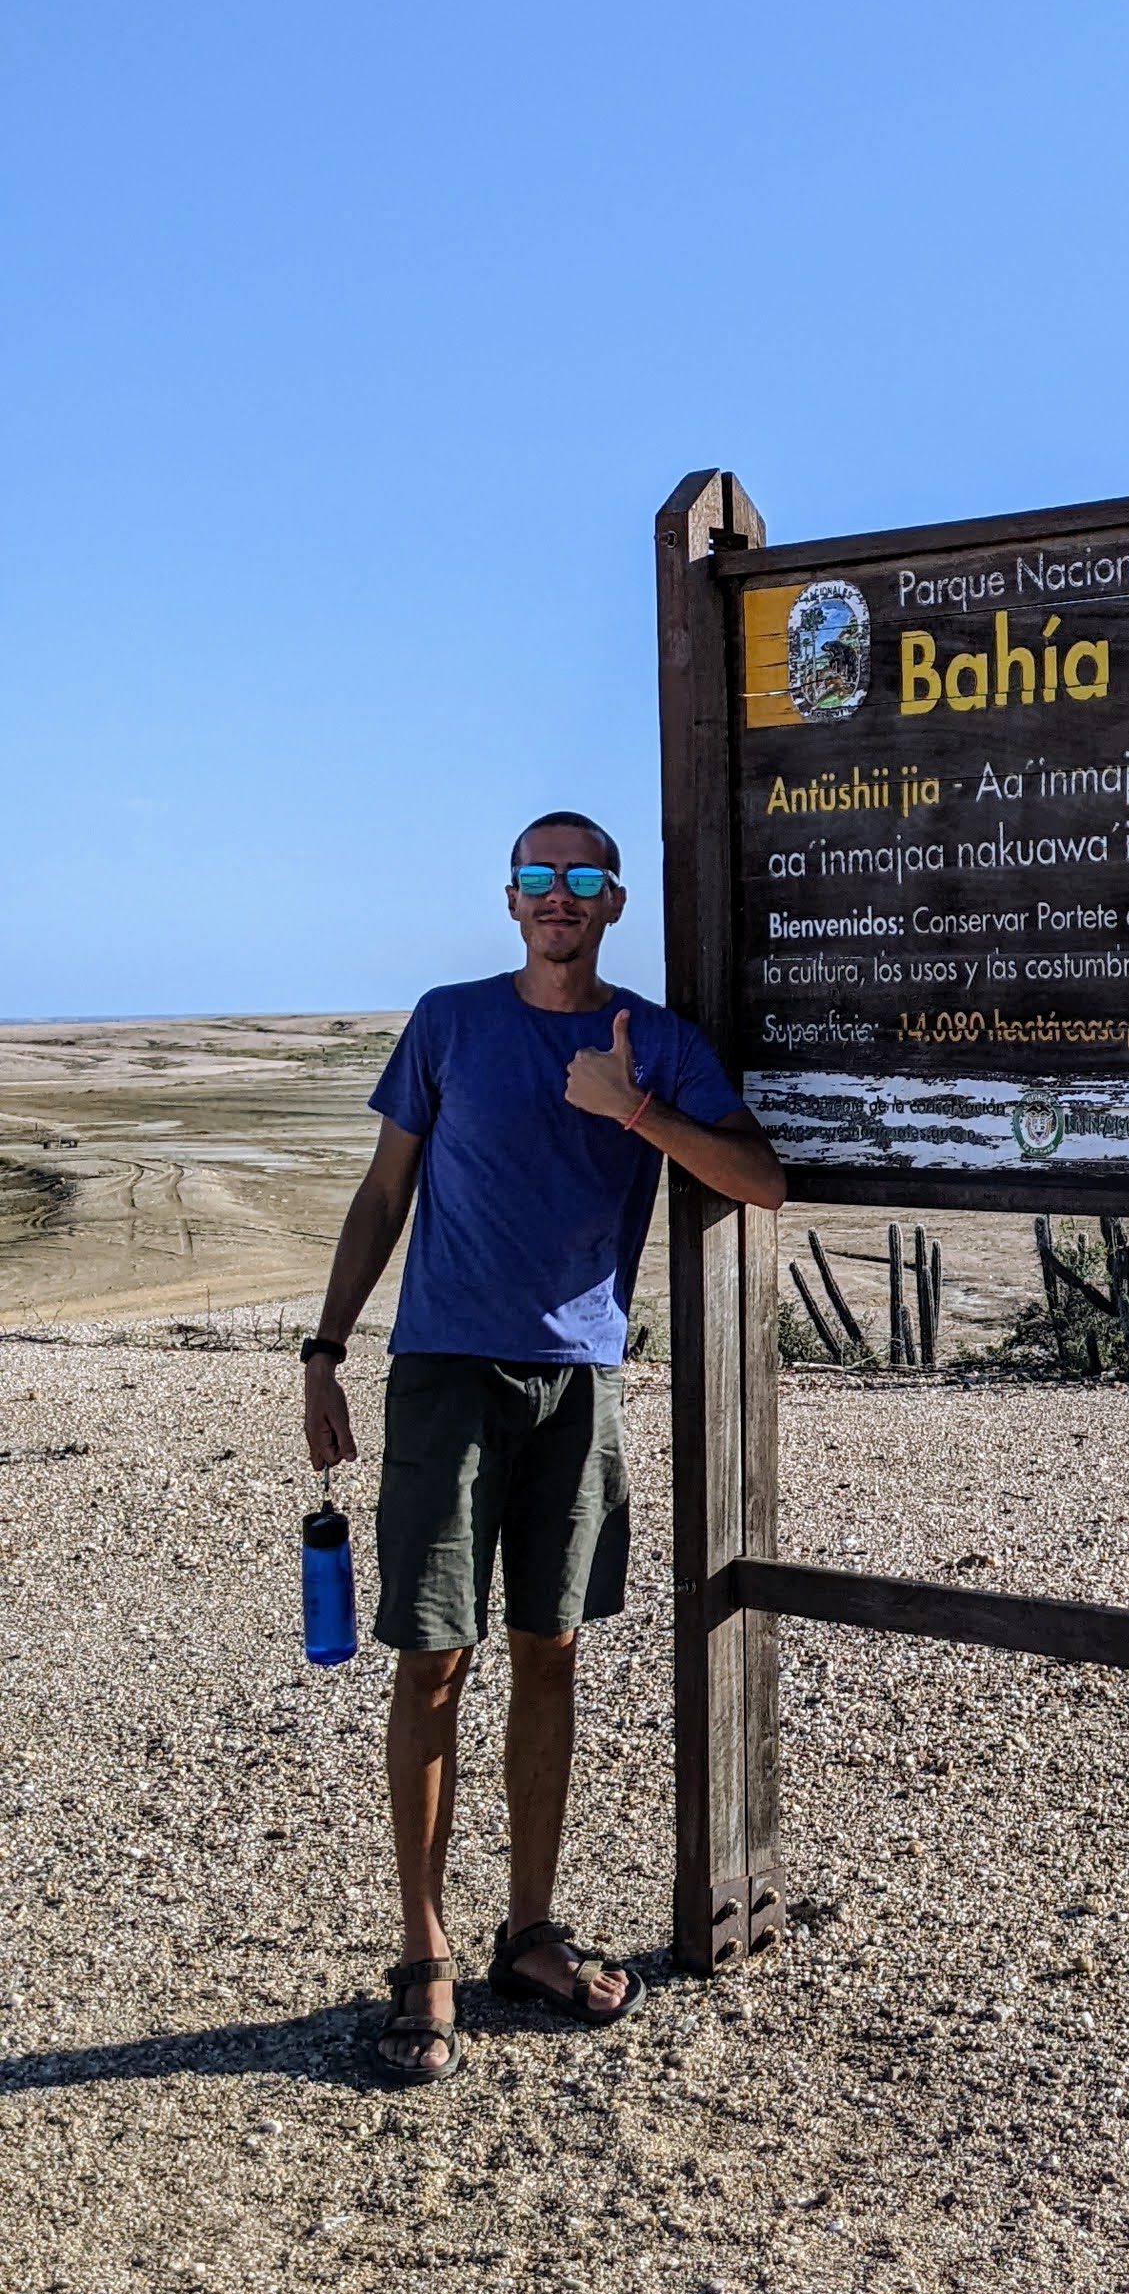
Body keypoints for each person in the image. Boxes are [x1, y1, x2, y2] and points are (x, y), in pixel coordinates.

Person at [303, 814, 784, 2085]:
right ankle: (423, 1957)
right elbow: (382, 1194)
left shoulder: (657, 1041)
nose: (557, 897)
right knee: (432, 1657)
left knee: (551, 1649)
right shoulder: (448, 1021)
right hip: (446, 1373)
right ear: (510, 899)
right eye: (537, 878)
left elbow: (760, 1181)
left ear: (614, 903)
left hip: (578, 1379)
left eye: (580, 879)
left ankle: (528, 1932)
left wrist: (635, 1112)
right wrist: (322, 1350)